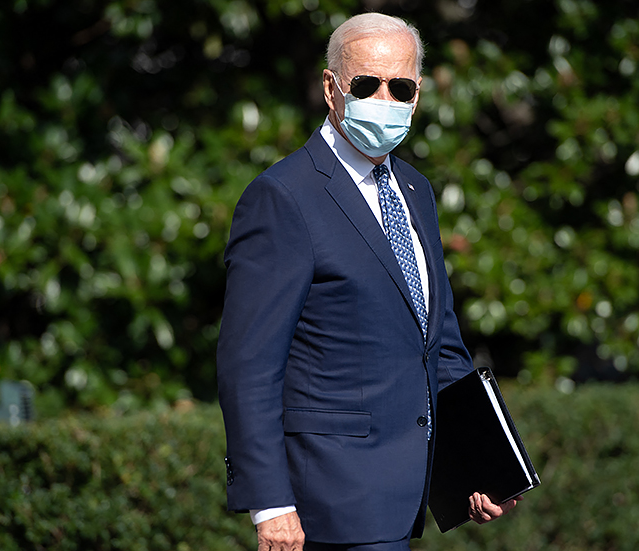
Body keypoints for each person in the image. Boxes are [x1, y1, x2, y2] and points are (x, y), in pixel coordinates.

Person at [217, 12, 519, 551]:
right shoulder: (284, 197)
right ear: (332, 88)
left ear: (418, 94)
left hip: (405, 500)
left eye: (399, 86)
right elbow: (250, 366)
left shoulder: (416, 190)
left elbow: (439, 346)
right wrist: (271, 504)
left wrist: (481, 462)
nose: (384, 99)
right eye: (366, 84)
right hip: (327, 507)